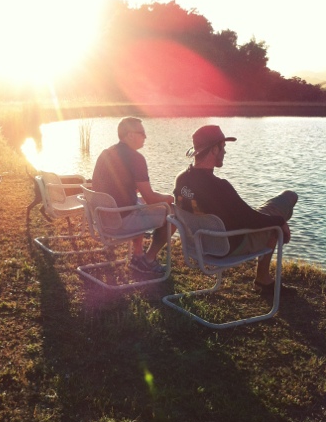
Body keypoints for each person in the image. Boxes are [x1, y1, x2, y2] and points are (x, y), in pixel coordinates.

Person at [174, 124, 298, 295]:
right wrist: (280, 222)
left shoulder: (181, 179)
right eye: (223, 147)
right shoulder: (220, 187)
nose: (225, 152)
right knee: (287, 200)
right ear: (214, 149)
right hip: (228, 247)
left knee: (268, 216)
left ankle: (263, 277)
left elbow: (244, 215)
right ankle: (263, 279)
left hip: (199, 245)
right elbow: (253, 220)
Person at [92, 117, 174, 274]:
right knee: (173, 213)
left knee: (138, 203)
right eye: (142, 133)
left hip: (102, 219)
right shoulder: (136, 158)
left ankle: (138, 254)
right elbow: (151, 198)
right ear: (130, 135)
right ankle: (148, 260)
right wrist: (168, 198)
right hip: (120, 223)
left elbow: (105, 184)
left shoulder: (106, 153)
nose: (145, 136)